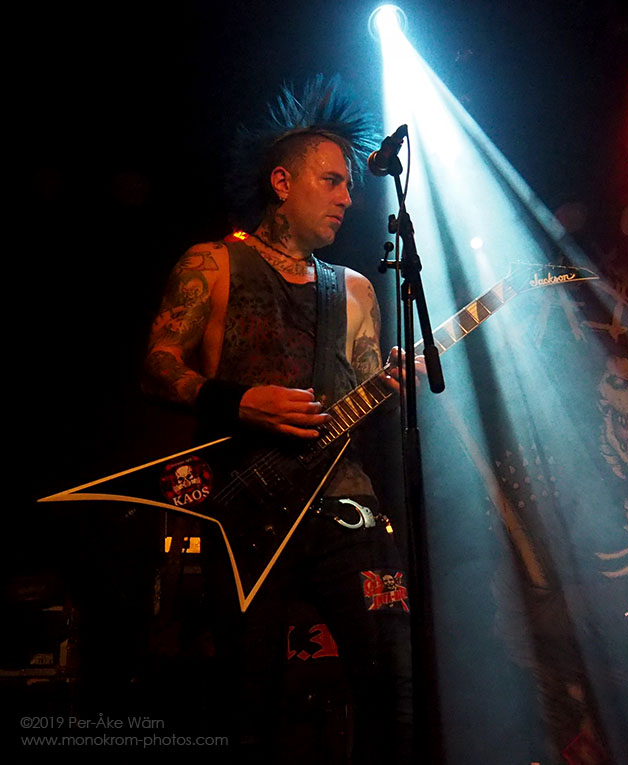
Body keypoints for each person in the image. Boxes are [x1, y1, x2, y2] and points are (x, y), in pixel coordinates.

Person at [141, 76, 417, 764]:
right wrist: (236, 400)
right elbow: (158, 365)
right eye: (332, 181)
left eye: (349, 185)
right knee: (247, 701)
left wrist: (390, 385)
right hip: (246, 514)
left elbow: (360, 405)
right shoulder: (213, 263)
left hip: (344, 505)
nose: (348, 198)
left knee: (394, 683)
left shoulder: (355, 290)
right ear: (282, 182)